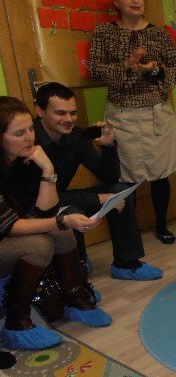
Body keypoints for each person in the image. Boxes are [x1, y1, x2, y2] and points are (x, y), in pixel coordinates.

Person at [0, 96, 111, 351]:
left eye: (30, 129)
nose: (29, 137)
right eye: (19, 133)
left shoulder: (25, 157)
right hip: (5, 234)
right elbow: (10, 227)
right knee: (40, 244)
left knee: (61, 232)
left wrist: (48, 169)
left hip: (9, 233)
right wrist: (61, 220)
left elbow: (44, 211)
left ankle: (76, 298)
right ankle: (16, 322)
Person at [88, 0, 176, 245]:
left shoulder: (159, 34)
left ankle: (161, 224)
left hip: (156, 113)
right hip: (122, 114)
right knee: (125, 176)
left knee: (160, 173)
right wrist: (127, 64)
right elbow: (95, 70)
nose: (135, 1)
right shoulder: (104, 33)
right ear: (117, 2)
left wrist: (154, 70)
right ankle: (128, 233)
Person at [33, 82, 163, 281]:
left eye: (73, 113)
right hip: (36, 206)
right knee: (72, 211)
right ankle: (78, 275)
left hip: (60, 197)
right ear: (39, 110)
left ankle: (126, 264)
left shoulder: (76, 136)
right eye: (60, 113)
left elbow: (109, 178)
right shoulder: (28, 142)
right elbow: (37, 198)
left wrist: (108, 146)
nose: (68, 119)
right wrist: (98, 198)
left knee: (120, 191)